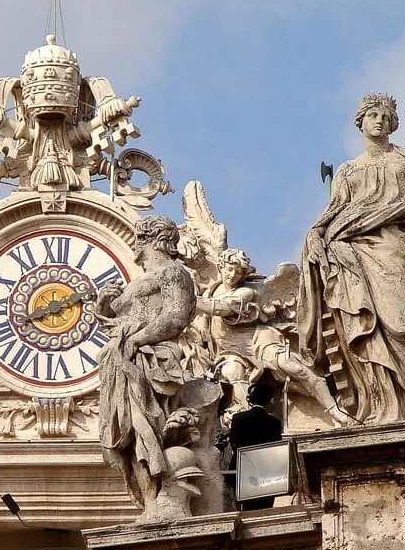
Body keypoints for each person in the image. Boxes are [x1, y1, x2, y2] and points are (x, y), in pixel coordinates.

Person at [299, 94, 405, 424]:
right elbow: (332, 214)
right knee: (363, 325)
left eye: (385, 116)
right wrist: (314, 235)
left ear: (392, 123)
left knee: (398, 325)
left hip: (390, 246)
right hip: (349, 249)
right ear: (360, 122)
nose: (379, 121)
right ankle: (378, 404)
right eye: (372, 115)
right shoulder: (347, 171)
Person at [96, 215, 196, 522]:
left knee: (146, 428)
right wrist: (102, 304)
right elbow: (111, 320)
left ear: (151, 240)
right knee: (127, 433)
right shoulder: (138, 282)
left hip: (148, 359)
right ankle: (150, 503)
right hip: (121, 361)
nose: (134, 247)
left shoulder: (172, 272)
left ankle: (159, 499)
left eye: (138, 239)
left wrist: (135, 340)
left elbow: (175, 318)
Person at [196, 248, 349, 426]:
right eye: (229, 269)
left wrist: (189, 298)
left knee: (293, 367)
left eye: (238, 272)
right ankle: (250, 421)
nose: (232, 275)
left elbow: (222, 307)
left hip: (257, 340)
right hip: (230, 349)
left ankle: (334, 409)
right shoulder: (208, 292)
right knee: (232, 372)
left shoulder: (245, 293)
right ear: (221, 267)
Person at [229, 383, 282, 510]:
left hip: (241, 470)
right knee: (264, 509)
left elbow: (234, 442)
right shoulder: (274, 422)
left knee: (243, 509)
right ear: (270, 400)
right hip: (266, 474)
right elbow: (276, 447)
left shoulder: (238, 418)